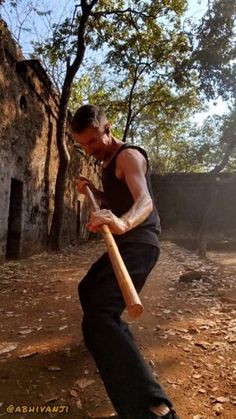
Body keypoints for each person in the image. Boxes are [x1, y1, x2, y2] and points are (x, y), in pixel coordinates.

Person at [71, 104, 179, 419]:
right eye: (83, 145)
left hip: (140, 243)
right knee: (88, 289)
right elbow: (121, 199)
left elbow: (144, 200)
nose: (89, 150)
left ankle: (152, 407)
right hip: (126, 241)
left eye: (93, 141)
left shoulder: (129, 157)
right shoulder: (107, 162)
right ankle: (110, 343)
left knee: (100, 316)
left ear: (108, 129)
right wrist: (96, 194)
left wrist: (122, 223)